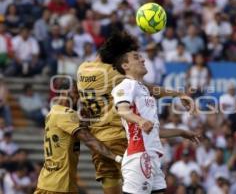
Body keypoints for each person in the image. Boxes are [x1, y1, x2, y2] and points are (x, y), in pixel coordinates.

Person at [77, 31, 194, 194]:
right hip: (120, 138)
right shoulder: (114, 73)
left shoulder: (82, 69)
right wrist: (177, 93)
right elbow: (149, 88)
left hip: (98, 142)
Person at [107, 33, 201, 193]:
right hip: (138, 156)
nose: (143, 60)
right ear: (125, 66)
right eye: (136, 58)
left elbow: (155, 130)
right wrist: (139, 120)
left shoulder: (143, 89)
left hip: (153, 157)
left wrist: (182, 132)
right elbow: (122, 110)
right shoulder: (126, 85)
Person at [34, 79, 122, 194]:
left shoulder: (54, 112)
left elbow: (81, 125)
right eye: (76, 93)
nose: (79, 98)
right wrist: (117, 158)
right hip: (57, 186)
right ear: (65, 93)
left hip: (54, 182)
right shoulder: (66, 114)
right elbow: (88, 139)